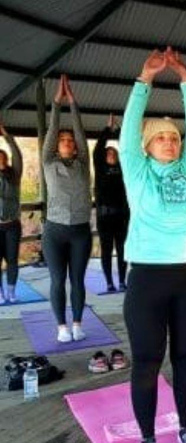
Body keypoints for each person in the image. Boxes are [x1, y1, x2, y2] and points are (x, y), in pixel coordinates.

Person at [120, 47, 186, 443]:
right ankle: (147, 437)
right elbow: (126, 132)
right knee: (148, 361)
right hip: (148, 281)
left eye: (174, 137)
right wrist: (146, 78)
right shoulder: (136, 172)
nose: (171, 141)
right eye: (161, 136)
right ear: (147, 144)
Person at [42, 75, 92, 343]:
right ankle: (61, 326)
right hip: (55, 230)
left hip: (81, 230)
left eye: (69, 140)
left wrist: (73, 103)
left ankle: (77, 323)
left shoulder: (83, 164)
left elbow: (81, 133)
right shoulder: (49, 163)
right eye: (63, 140)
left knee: (78, 279)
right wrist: (56, 103)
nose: (67, 141)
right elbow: (51, 132)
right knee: (58, 279)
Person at [94, 113, 129, 293]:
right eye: (108, 152)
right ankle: (109, 282)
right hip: (105, 217)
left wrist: (122, 131)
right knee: (106, 251)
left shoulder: (124, 170)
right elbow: (98, 149)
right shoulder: (100, 169)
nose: (110, 153)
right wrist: (108, 129)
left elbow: (128, 149)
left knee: (123, 251)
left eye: (113, 152)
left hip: (121, 217)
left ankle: (123, 281)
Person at [0, 123, 22, 304]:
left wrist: (7, 135)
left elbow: (17, 154)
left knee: (12, 260)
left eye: (2, 157)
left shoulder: (14, 174)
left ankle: (11, 291)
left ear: (6, 160)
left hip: (12, 224)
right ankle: (1, 293)